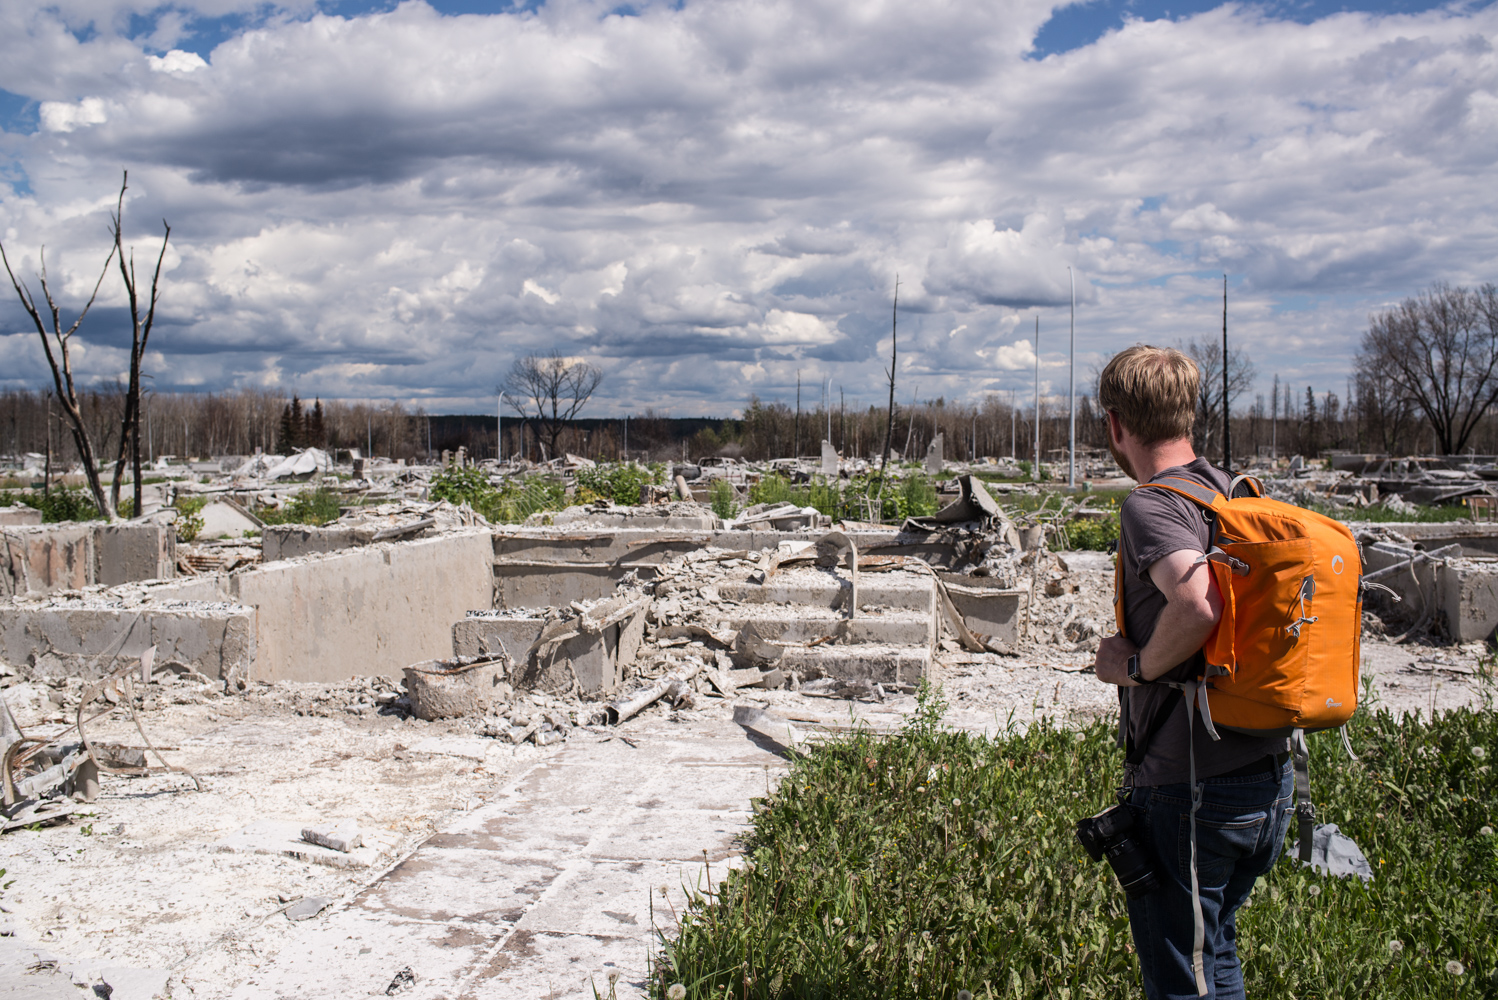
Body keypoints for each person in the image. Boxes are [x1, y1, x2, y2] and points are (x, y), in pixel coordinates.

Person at [1092, 345, 1293, 1000]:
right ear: (1189, 413)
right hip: (1267, 776)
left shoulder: (1153, 505)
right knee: (1214, 959)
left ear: (1116, 423)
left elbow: (1198, 604)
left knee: (1183, 981)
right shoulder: (1232, 494)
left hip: (1193, 789)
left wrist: (1136, 668)